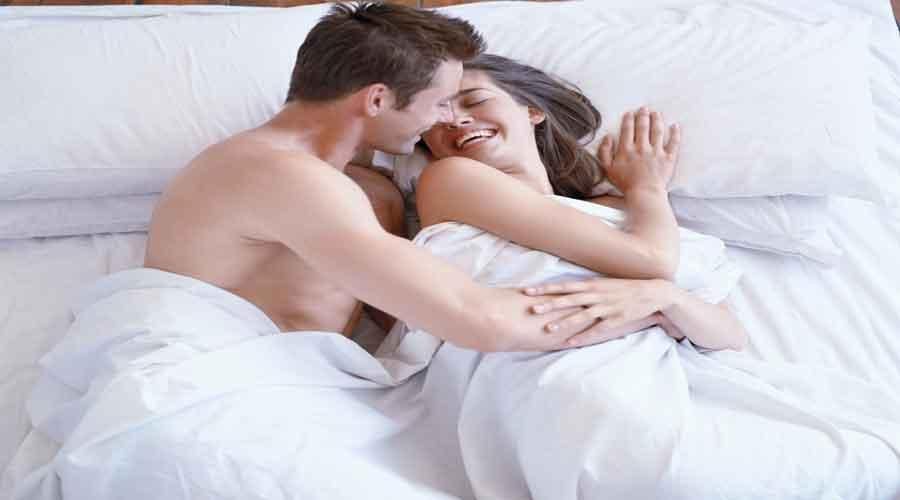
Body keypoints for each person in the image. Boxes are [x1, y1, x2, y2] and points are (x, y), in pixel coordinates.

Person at [143, 2, 672, 353]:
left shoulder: (361, 188)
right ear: (377, 99)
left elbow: (410, 318)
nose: (445, 119)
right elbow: (478, 318)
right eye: (440, 102)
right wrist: (651, 306)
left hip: (305, 382)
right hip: (225, 383)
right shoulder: (280, 176)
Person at [418, 53, 747, 351]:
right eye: (434, 117)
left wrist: (667, 298)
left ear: (532, 110)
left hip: (658, 371)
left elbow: (730, 336)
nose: (454, 120)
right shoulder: (449, 180)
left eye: (474, 100)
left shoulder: (621, 213)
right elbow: (654, 262)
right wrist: (647, 188)